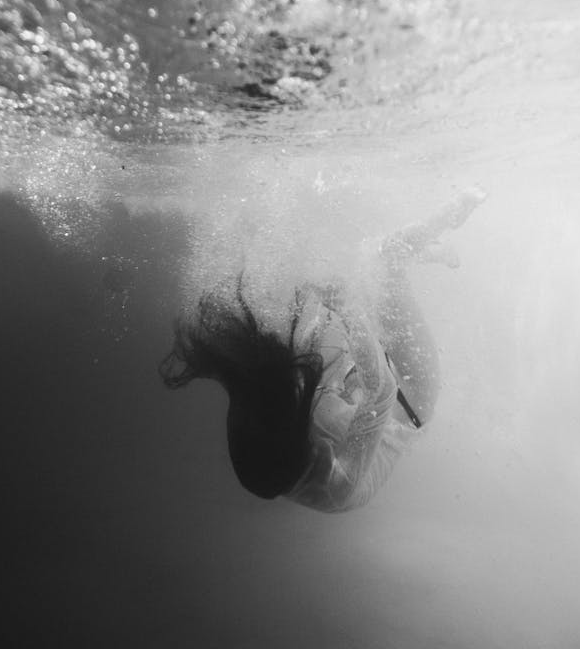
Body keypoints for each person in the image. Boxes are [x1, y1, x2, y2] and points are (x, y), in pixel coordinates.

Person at [160, 189, 484, 512]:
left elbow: (296, 370)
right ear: (315, 449)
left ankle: (430, 253)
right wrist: (348, 309)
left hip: (352, 387)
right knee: (386, 261)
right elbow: (383, 392)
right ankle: (454, 212)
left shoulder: (272, 455)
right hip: (411, 400)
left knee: (369, 263)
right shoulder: (339, 486)